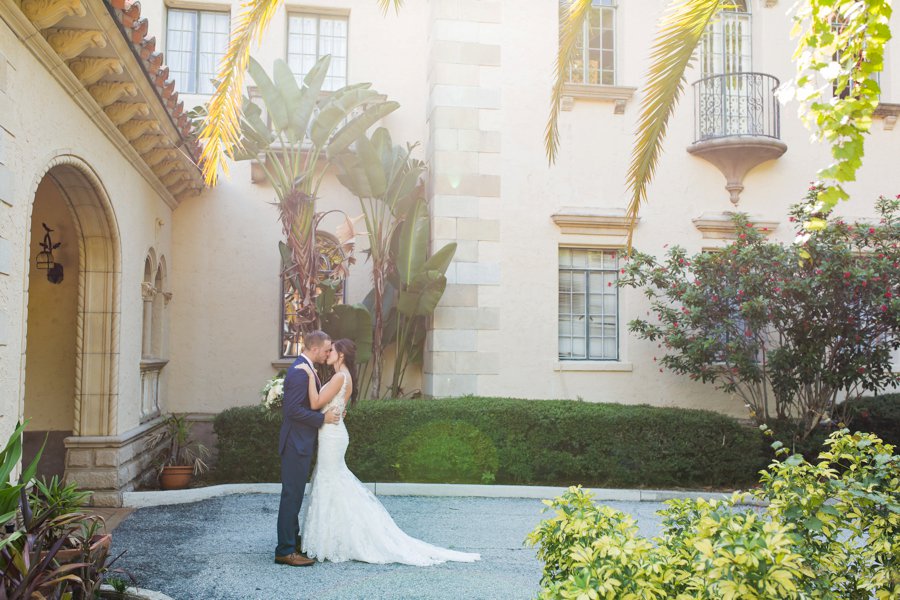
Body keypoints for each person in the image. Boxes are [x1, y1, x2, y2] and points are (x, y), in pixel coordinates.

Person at [296, 339, 481, 565]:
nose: (328, 353)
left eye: (332, 350)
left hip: (332, 436)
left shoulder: (339, 377)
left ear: (341, 355)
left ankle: (338, 538)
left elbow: (315, 404)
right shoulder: (345, 377)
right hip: (334, 433)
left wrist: (307, 374)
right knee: (332, 481)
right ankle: (335, 537)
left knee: (330, 481)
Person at [274, 330, 340, 567]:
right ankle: (285, 550)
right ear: (314, 349)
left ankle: (293, 542)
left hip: (300, 442)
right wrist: (323, 419)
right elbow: (292, 411)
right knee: (291, 496)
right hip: (295, 443)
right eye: (326, 349)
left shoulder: (307, 369)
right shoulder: (300, 372)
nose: (327, 353)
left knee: (294, 495)